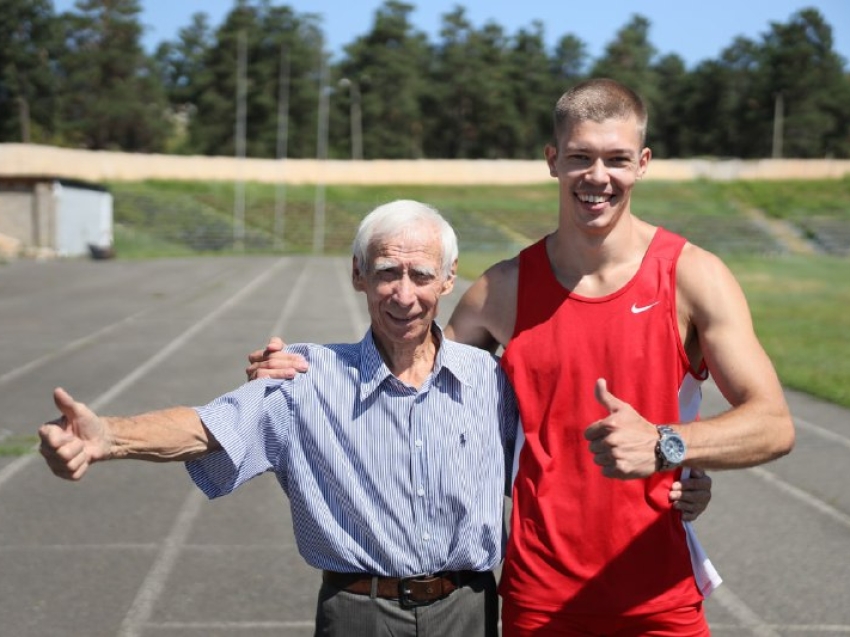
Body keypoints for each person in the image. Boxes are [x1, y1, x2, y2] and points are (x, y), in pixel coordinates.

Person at [247, 78, 795, 636]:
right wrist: (304, 371)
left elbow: (773, 422)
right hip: (539, 600)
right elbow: (409, 385)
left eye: (617, 159)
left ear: (643, 163)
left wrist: (670, 444)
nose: (598, 177)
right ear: (553, 160)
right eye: (580, 157)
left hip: (658, 598)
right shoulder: (502, 292)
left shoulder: (691, 276)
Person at [38, 200, 520, 637]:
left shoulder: (489, 381)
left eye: (421, 275)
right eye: (387, 271)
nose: (403, 293)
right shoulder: (303, 378)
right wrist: (111, 436)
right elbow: (206, 428)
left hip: (469, 611)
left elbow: (542, 474)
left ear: (449, 278)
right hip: (359, 613)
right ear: (358, 274)